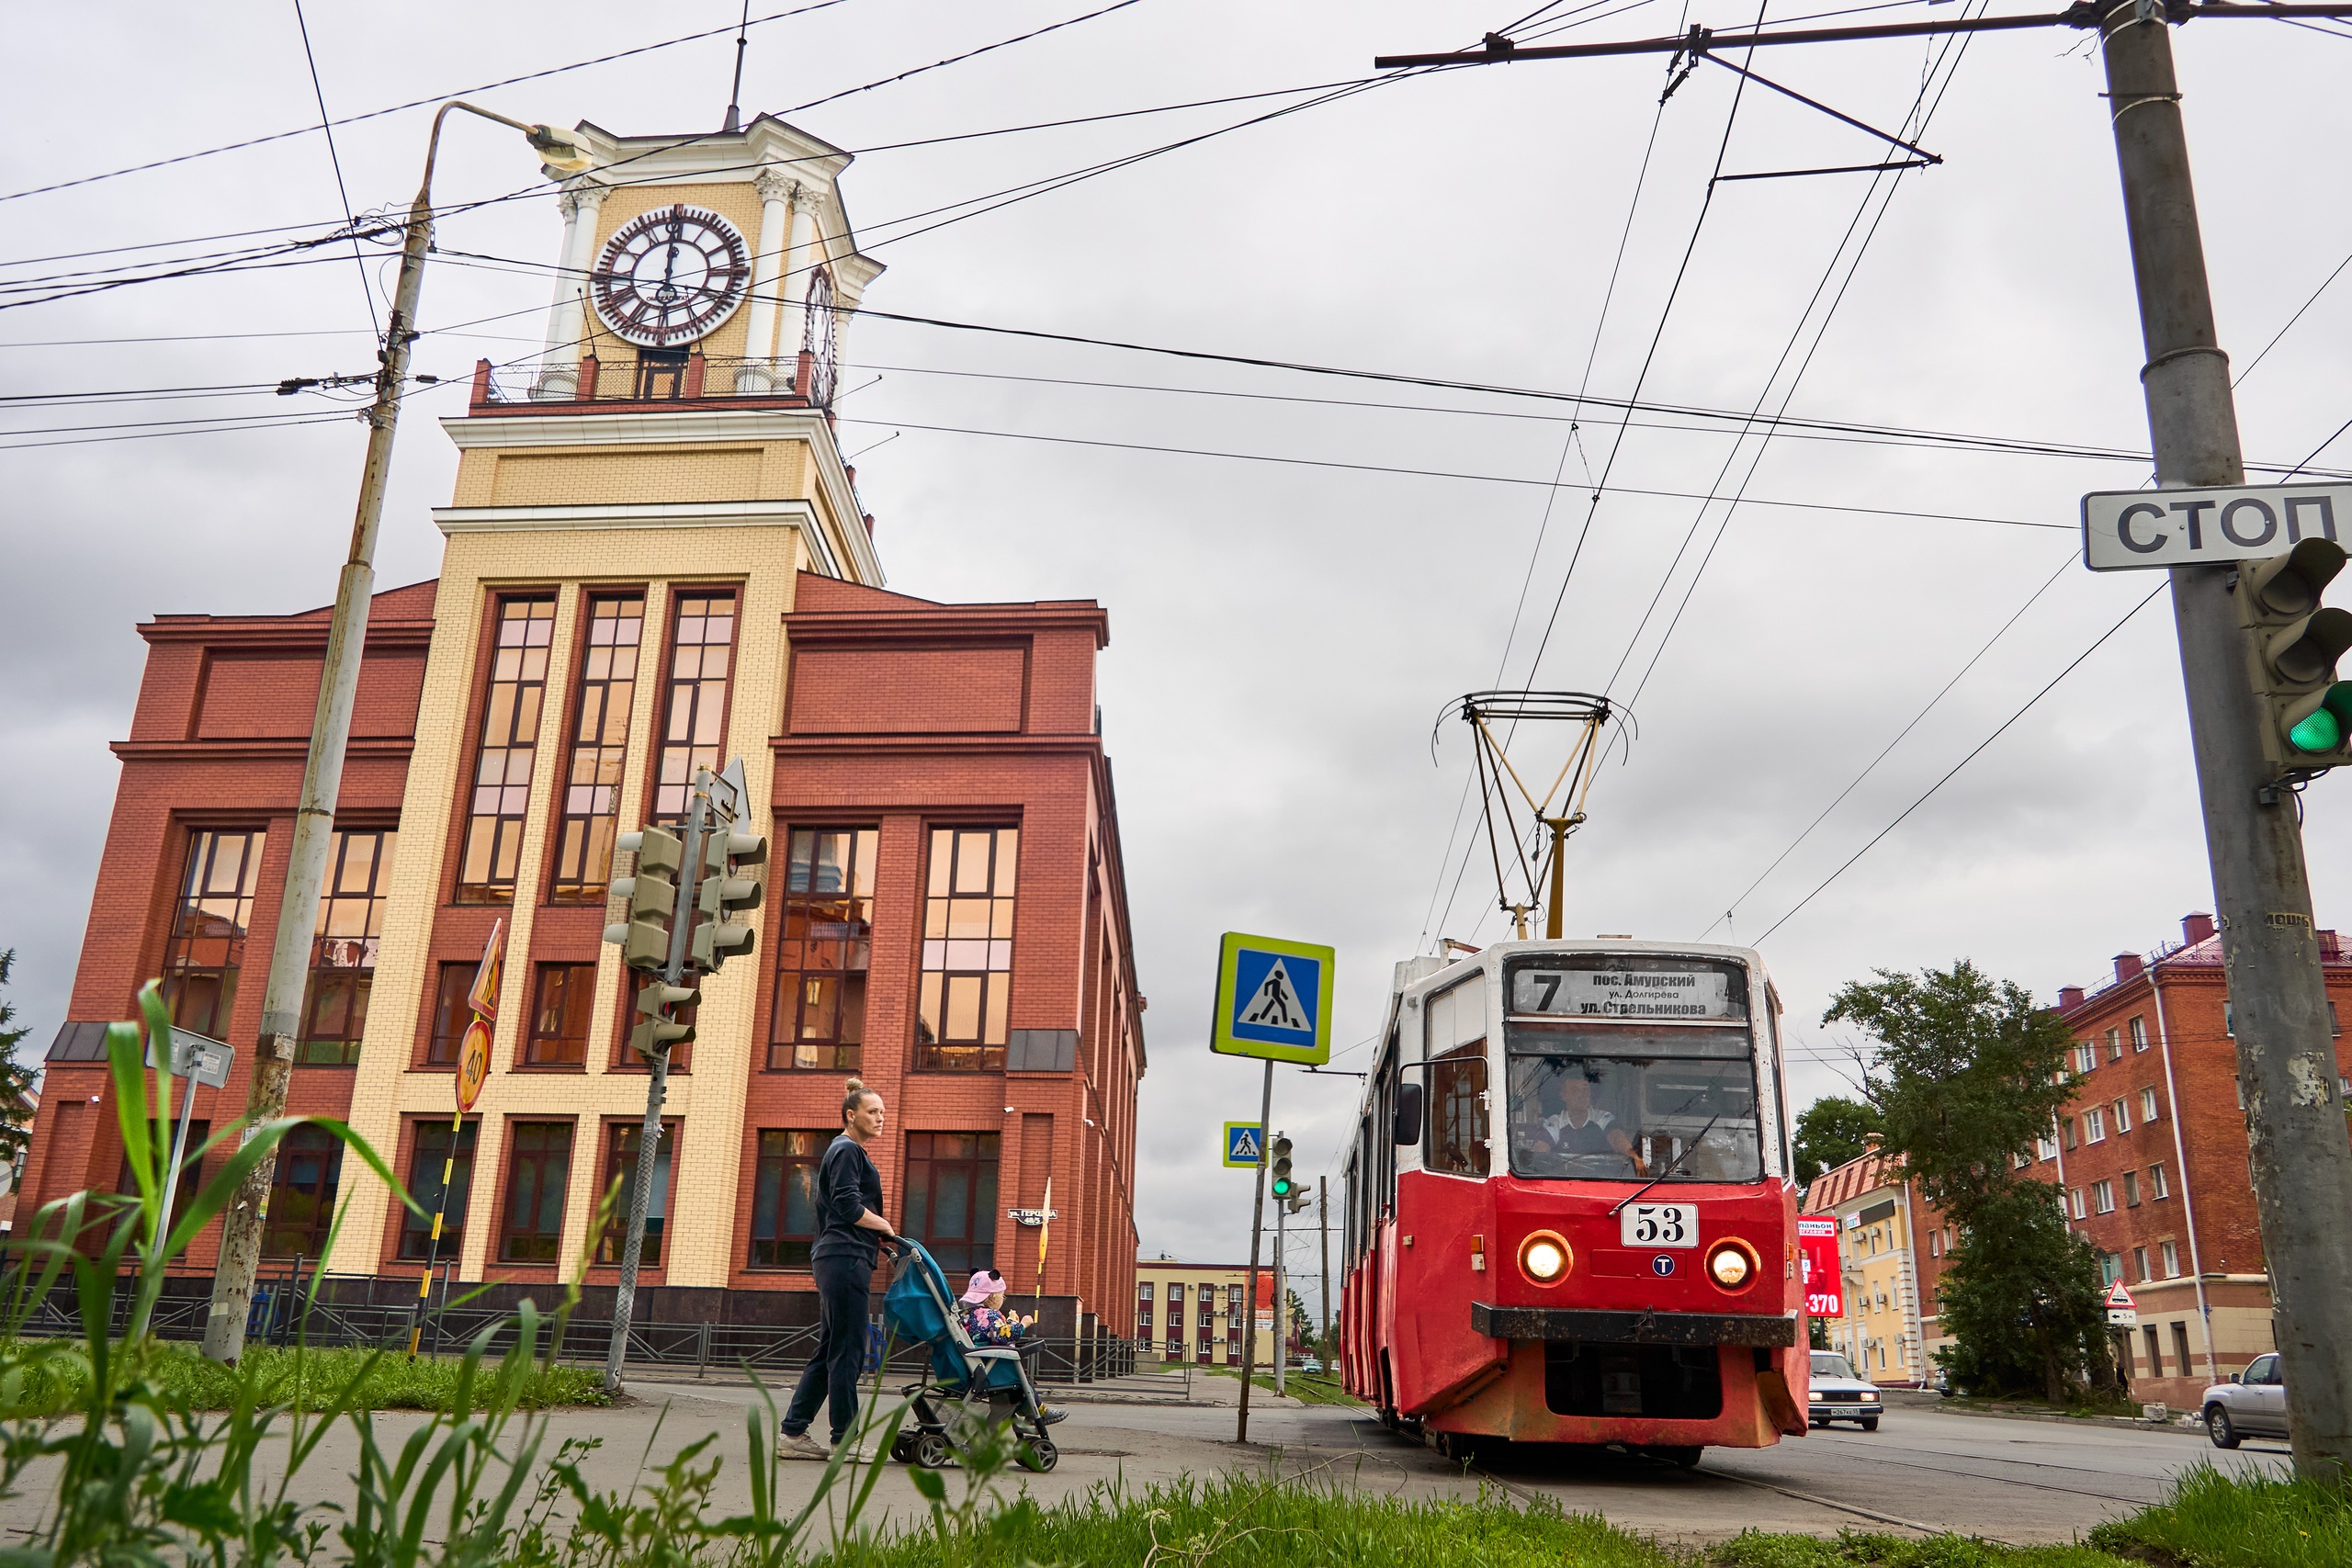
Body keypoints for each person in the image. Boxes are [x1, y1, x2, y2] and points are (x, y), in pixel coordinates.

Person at [780, 1078, 896, 1461]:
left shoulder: (847, 1149)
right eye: (873, 1112)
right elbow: (847, 1207)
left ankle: (794, 1434)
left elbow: (843, 1208)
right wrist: (885, 1227)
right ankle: (843, 1440)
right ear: (852, 1115)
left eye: (882, 1111)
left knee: (832, 1347)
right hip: (844, 1258)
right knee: (847, 1350)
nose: (881, 1118)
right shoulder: (847, 1149)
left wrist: (877, 1235)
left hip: (839, 1255)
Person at [957, 1269, 1068, 1426]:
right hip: (994, 1368)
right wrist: (1022, 1323)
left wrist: (1008, 1322)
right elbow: (1004, 1336)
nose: (1003, 1299)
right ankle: (1039, 1411)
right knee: (1021, 1381)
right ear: (992, 1296)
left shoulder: (967, 1314)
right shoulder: (990, 1315)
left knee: (1016, 1385)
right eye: (1002, 1295)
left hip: (977, 1363)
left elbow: (992, 1335)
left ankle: (1029, 1412)